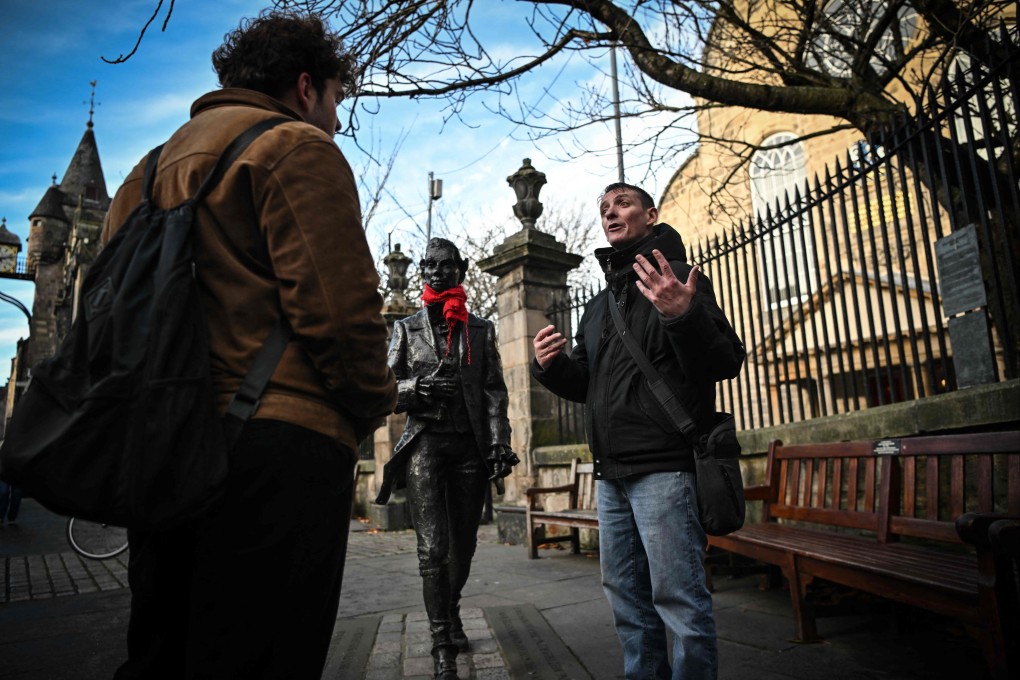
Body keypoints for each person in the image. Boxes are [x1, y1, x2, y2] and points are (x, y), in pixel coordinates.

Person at [101, 11, 396, 679]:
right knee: (263, 656)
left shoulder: (147, 171)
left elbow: (110, 312)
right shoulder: (295, 147)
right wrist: (370, 406)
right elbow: (342, 317)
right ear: (305, 87)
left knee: (162, 654)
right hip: (275, 448)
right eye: (336, 99)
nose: (337, 121)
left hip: (164, 444)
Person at [531, 183, 745, 680]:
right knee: (627, 599)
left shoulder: (679, 278)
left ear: (650, 215)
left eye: (622, 203)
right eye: (604, 208)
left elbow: (725, 361)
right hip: (611, 474)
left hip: (666, 468)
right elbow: (587, 383)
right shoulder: (598, 305)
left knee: (679, 599)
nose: (611, 212)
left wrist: (684, 315)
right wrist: (551, 367)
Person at [376, 237, 518, 680]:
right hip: (426, 446)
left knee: (464, 546)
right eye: (429, 266)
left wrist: (498, 442)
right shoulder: (406, 329)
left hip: (469, 449)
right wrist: (417, 389)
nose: (436, 272)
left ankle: (450, 607)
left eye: (444, 265)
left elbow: (494, 392)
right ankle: (442, 645)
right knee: (432, 549)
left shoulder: (481, 330)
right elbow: (384, 387)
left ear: (461, 268)